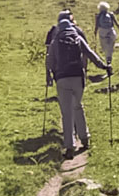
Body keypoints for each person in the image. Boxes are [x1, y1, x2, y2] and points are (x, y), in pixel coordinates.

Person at [46, 10, 110, 159]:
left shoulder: (55, 41)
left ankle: (70, 147)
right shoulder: (77, 37)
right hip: (78, 78)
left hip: (62, 79)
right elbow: (90, 54)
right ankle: (85, 138)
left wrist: (50, 76)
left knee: (66, 113)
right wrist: (104, 66)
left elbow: (50, 61)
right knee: (78, 105)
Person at [94, 0, 119, 65]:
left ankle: (108, 58)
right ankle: (109, 58)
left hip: (102, 32)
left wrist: (95, 33)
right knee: (111, 45)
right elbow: (116, 23)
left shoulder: (98, 16)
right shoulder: (111, 14)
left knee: (105, 46)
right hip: (111, 31)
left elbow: (96, 26)